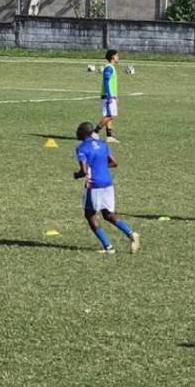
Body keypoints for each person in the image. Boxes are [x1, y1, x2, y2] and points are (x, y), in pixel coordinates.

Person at [74, 122, 140, 254]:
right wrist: (101, 166)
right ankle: (131, 234)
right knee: (108, 214)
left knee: (90, 215)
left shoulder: (82, 148)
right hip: (108, 183)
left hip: (94, 185)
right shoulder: (103, 145)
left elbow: (84, 171)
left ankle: (108, 247)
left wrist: (76, 175)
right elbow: (114, 163)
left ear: (82, 133)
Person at [99, 49, 120, 143]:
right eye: (117, 55)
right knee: (110, 115)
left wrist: (115, 96)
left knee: (109, 116)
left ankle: (109, 136)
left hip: (111, 96)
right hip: (108, 96)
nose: (118, 57)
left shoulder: (111, 67)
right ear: (112, 57)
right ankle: (94, 133)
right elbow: (106, 80)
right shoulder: (109, 68)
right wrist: (109, 95)